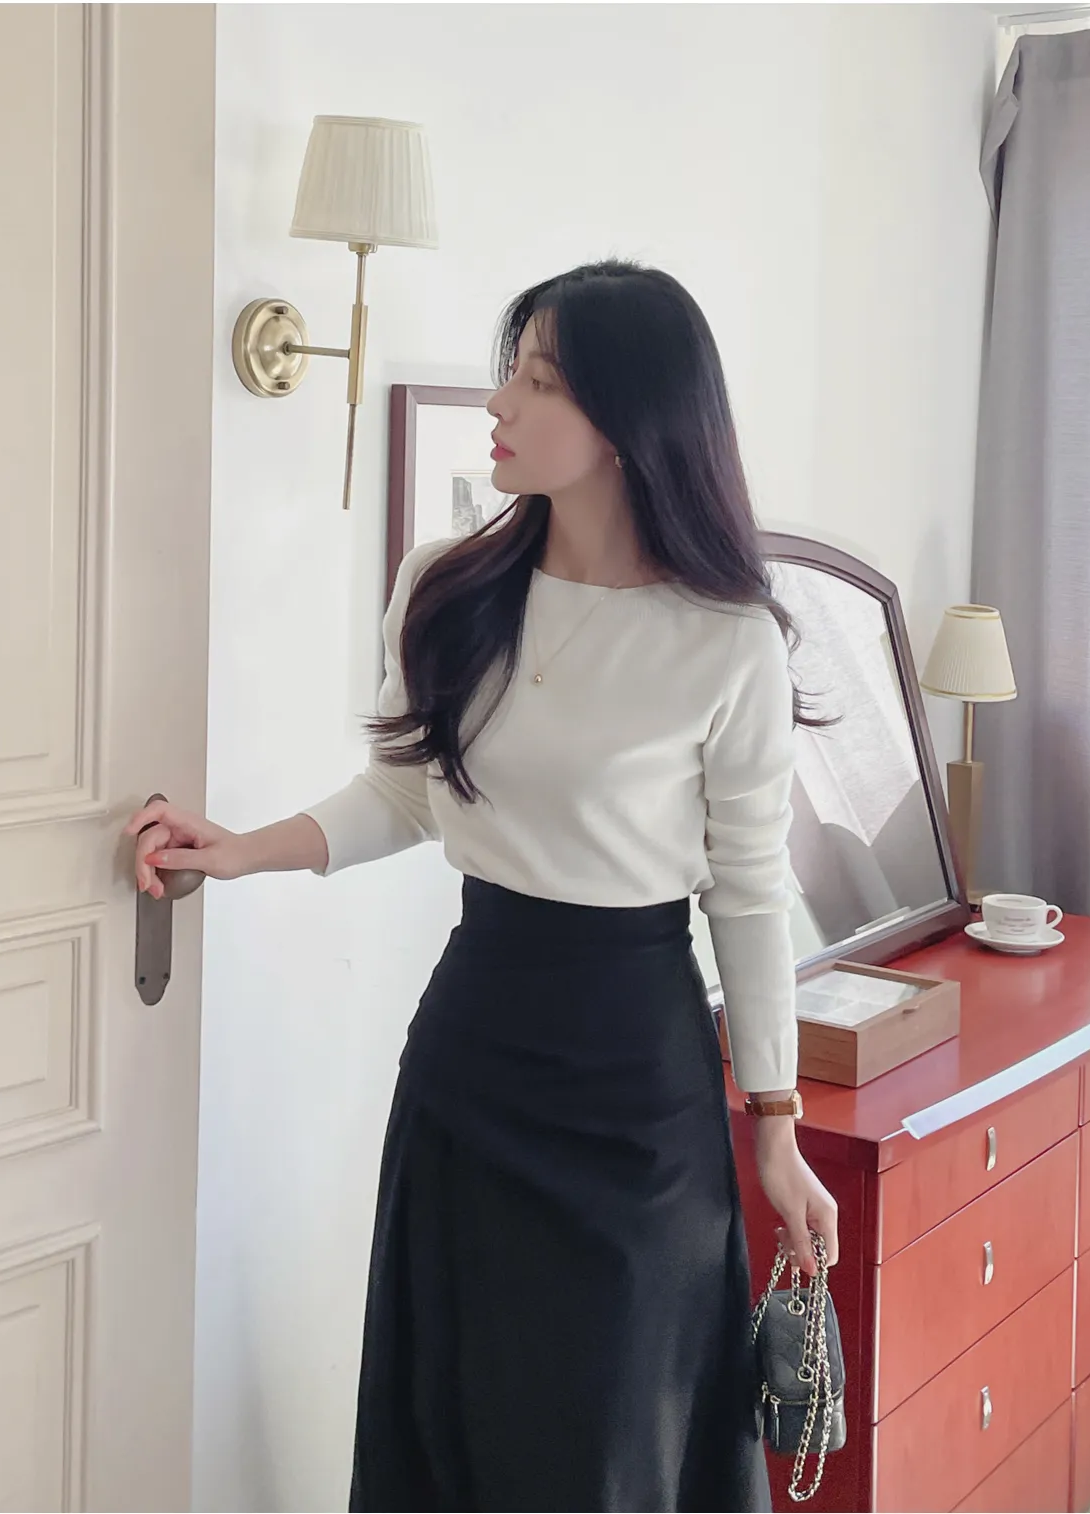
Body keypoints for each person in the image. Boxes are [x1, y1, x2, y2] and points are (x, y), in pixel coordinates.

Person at [125, 259, 840, 1514]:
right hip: (476, 1051)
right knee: (455, 1421)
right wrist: (239, 848)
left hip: (638, 1085)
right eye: (512, 370)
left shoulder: (727, 641)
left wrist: (775, 1130)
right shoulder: (447, 586)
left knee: (610, 1436)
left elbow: (747, 892)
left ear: (626, 422)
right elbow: (409, 795)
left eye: (540, 380)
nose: (500, 402)